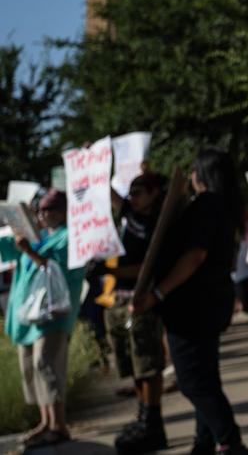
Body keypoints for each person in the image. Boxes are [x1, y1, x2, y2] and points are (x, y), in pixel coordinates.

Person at [131, 149, 248, 455]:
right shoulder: (221, 206)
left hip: (193, 308)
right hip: (208, 303)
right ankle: (205, 443)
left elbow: (195, 256)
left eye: (195, 171)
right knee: (205, 377)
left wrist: (158, 294)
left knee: (193, 382)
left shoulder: (207, 205)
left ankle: (229, 442)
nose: (192, 176)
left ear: (204, 174)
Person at [1, 189, 85, 450]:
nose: (42, 215)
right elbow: (7, 251)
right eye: (39, 211)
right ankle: (45, 422)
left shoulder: (69, 237)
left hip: (53, 315)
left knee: (46, 364)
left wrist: (29, 251)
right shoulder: (37, 236)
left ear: (61, 212)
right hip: (29, 316)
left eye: (47, 210)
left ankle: (58, 425)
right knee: (32, 367)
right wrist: (20, 234)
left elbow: (55, 268)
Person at [102, 171, 169, 454]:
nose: (132, 196)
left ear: (154, 193)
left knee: (147, 362)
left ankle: (153, 422)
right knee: (134, 364)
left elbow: (146, 266)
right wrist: (95, 172)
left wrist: (111, 270)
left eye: (139, 190)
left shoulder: (157, 224)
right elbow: (111, 197)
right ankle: (144, 416)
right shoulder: (130, 213)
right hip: (121, 296)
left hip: (142, 299)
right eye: (131, 191)